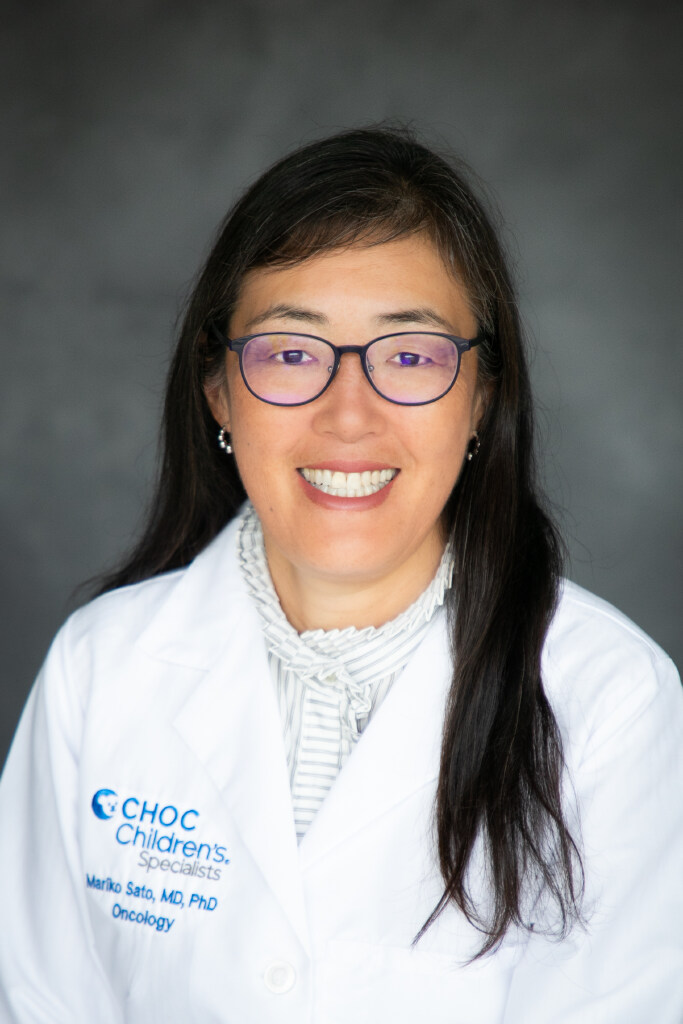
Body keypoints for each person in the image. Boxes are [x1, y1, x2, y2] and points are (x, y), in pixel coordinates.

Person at [0, 127, 681, 1024]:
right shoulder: (102, 668)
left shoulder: (609, 699)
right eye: (289, 352)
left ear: (482, 397)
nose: (348, 416)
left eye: (410, 356)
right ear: (218, 392)